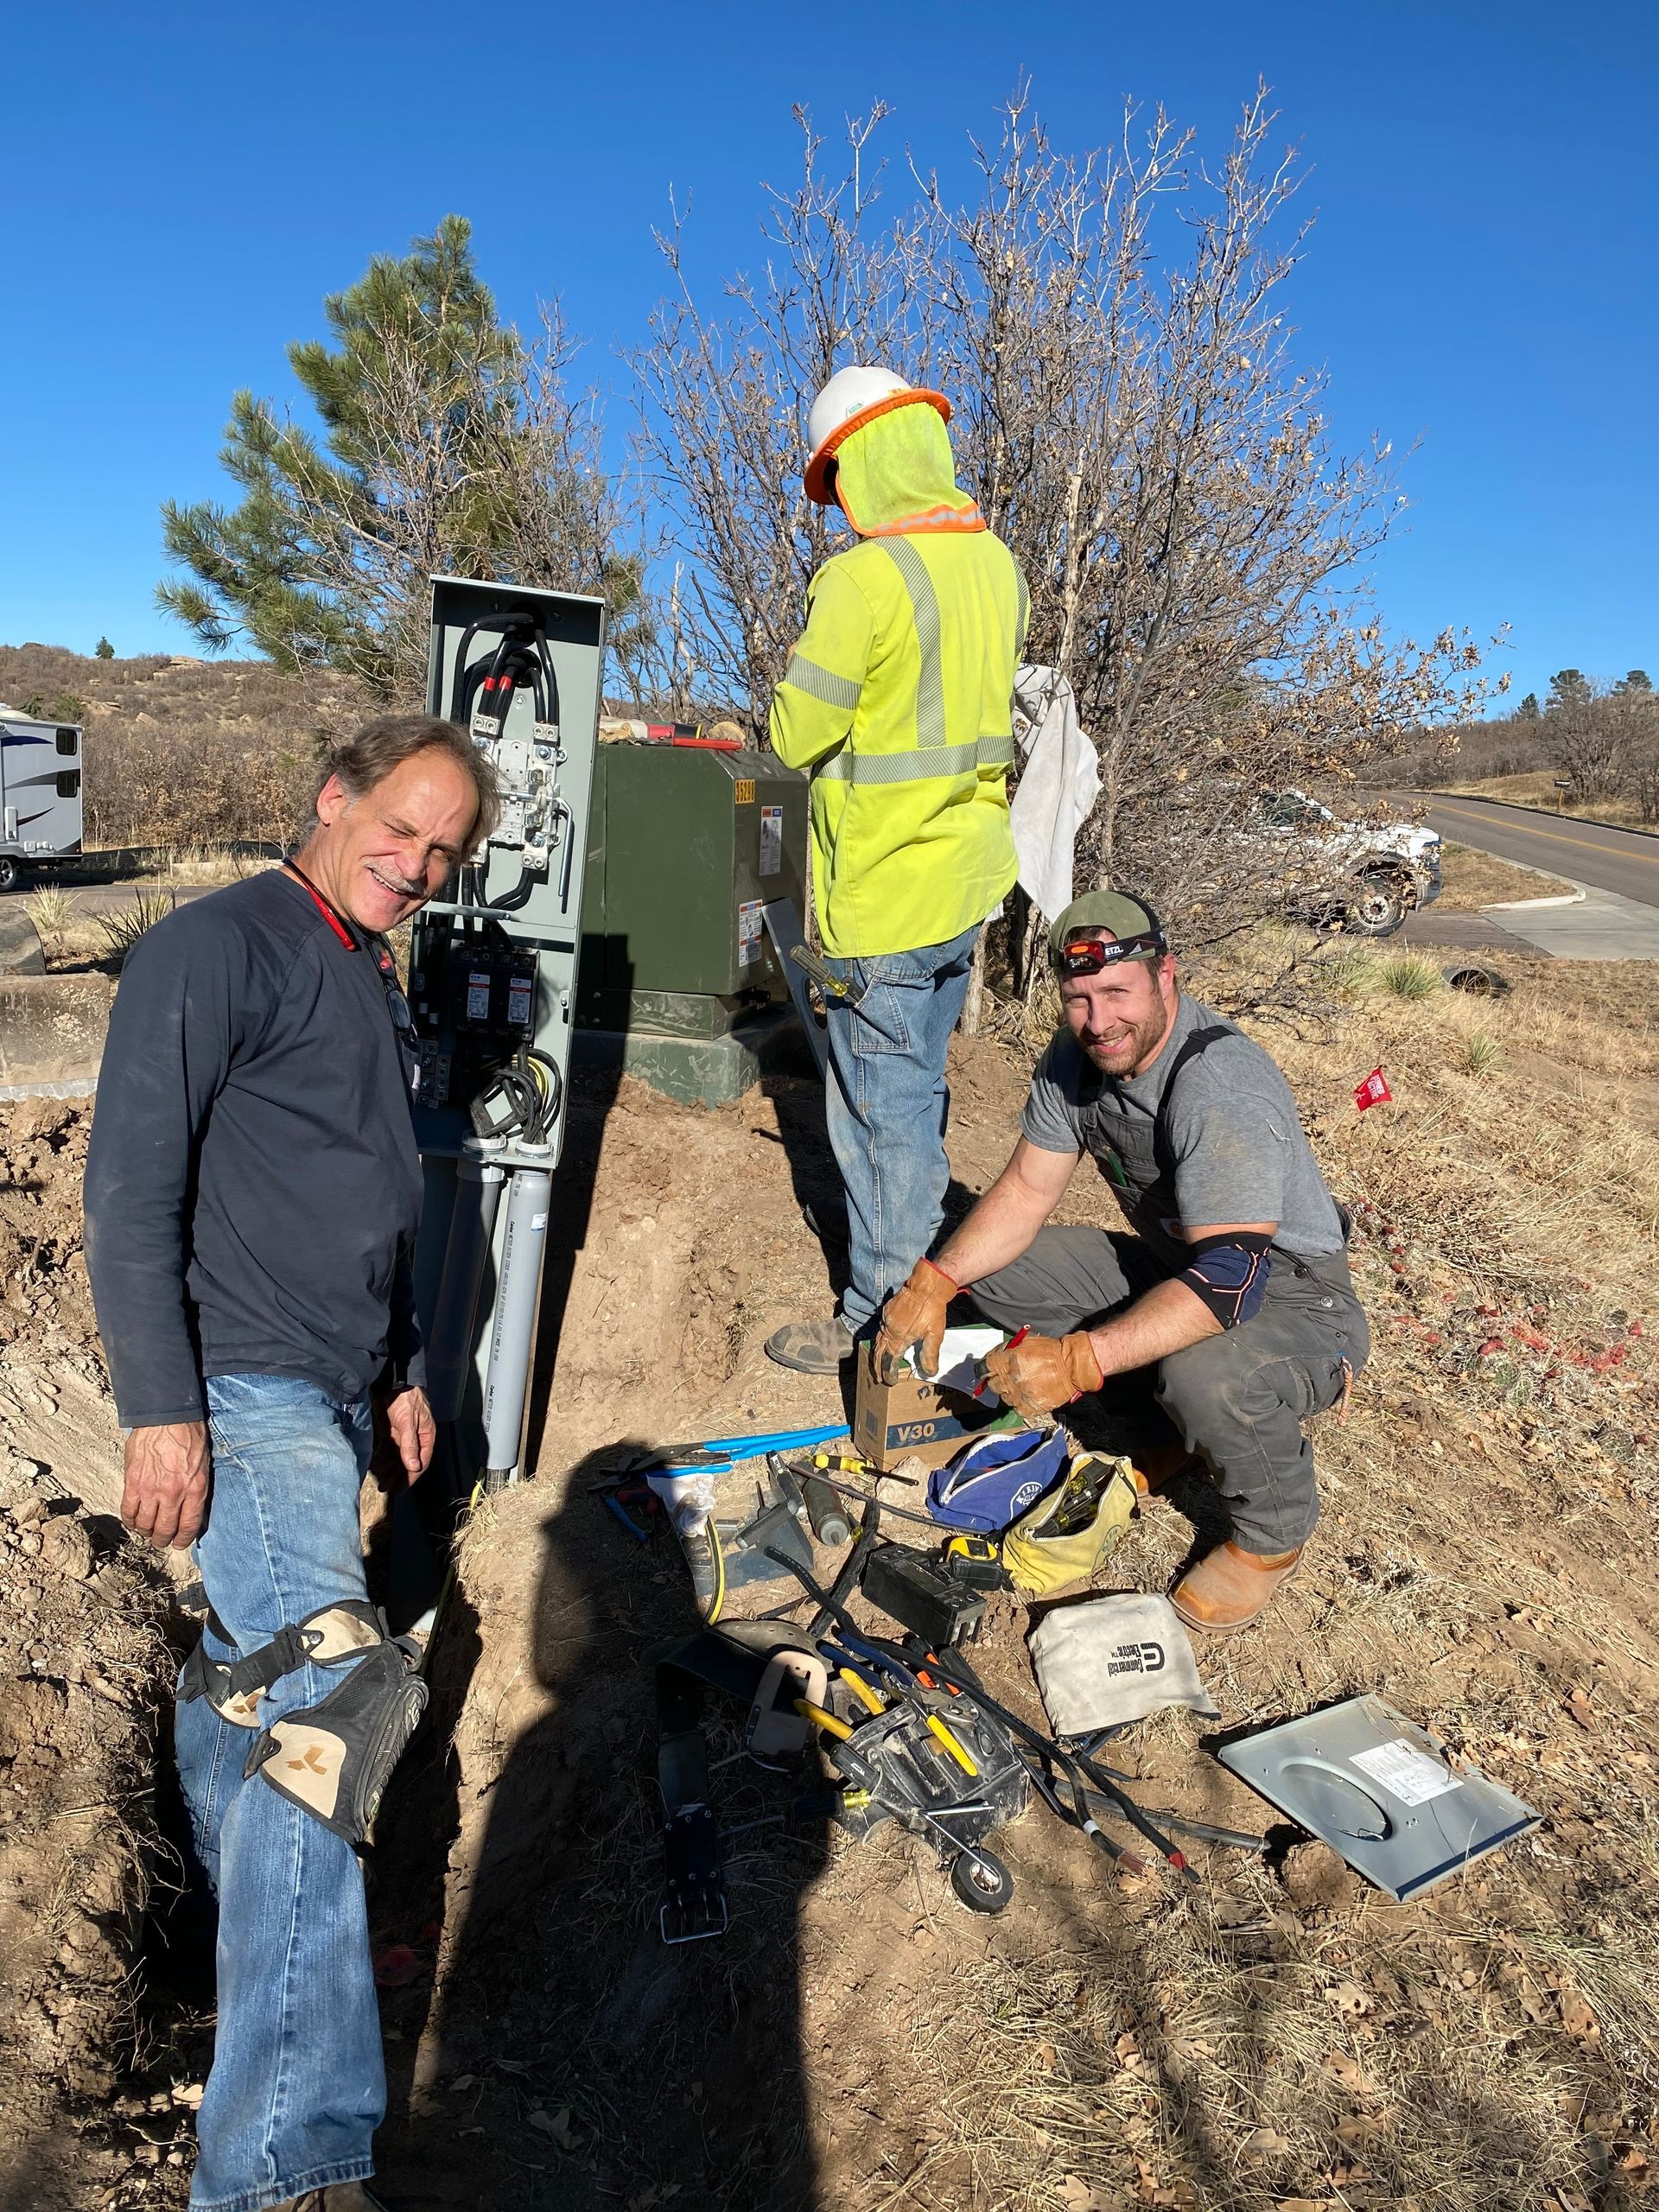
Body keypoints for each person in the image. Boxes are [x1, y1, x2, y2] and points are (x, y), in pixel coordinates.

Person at [83, 715, 498, 2212]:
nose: (420, 862)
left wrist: (396, 1370)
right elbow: (131, 1189)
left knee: (240, 1710)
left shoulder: (361, 972)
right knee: (329, 1694)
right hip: (240, 1394)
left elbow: (370, 1189)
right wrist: (161, 1408)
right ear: (333, 800)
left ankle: (210, 1976)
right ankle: (284, 2163)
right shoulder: (219, 946)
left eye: (447, 848)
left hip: (326, 1397)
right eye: (401, 825)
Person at [874, 891, 1370, 1633]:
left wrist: (1080, 1359)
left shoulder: (1217, 1083)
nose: (1099, 1022)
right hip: (1180, 1268)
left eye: (1117, 993)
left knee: (1208, 1372)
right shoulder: (1076, 1060)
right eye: (1079, 999)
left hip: (1291, 1298)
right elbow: (1022, 1190)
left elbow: (1233, 1281)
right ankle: (1169, 1424)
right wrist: (935, 1281)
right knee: (995, 1272)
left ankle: (1273, 1533)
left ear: (1165, 975)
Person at [764, 364, 1028, 1374]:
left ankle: (885, 1316)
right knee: (916, 1094)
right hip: (969, 883)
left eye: (837, 482)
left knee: (879, 1116)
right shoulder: (997, 565)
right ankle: (929, 1259)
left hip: (884, 895)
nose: (838, 509)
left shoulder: (862, 581)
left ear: (860, 466)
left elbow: (795, 735)